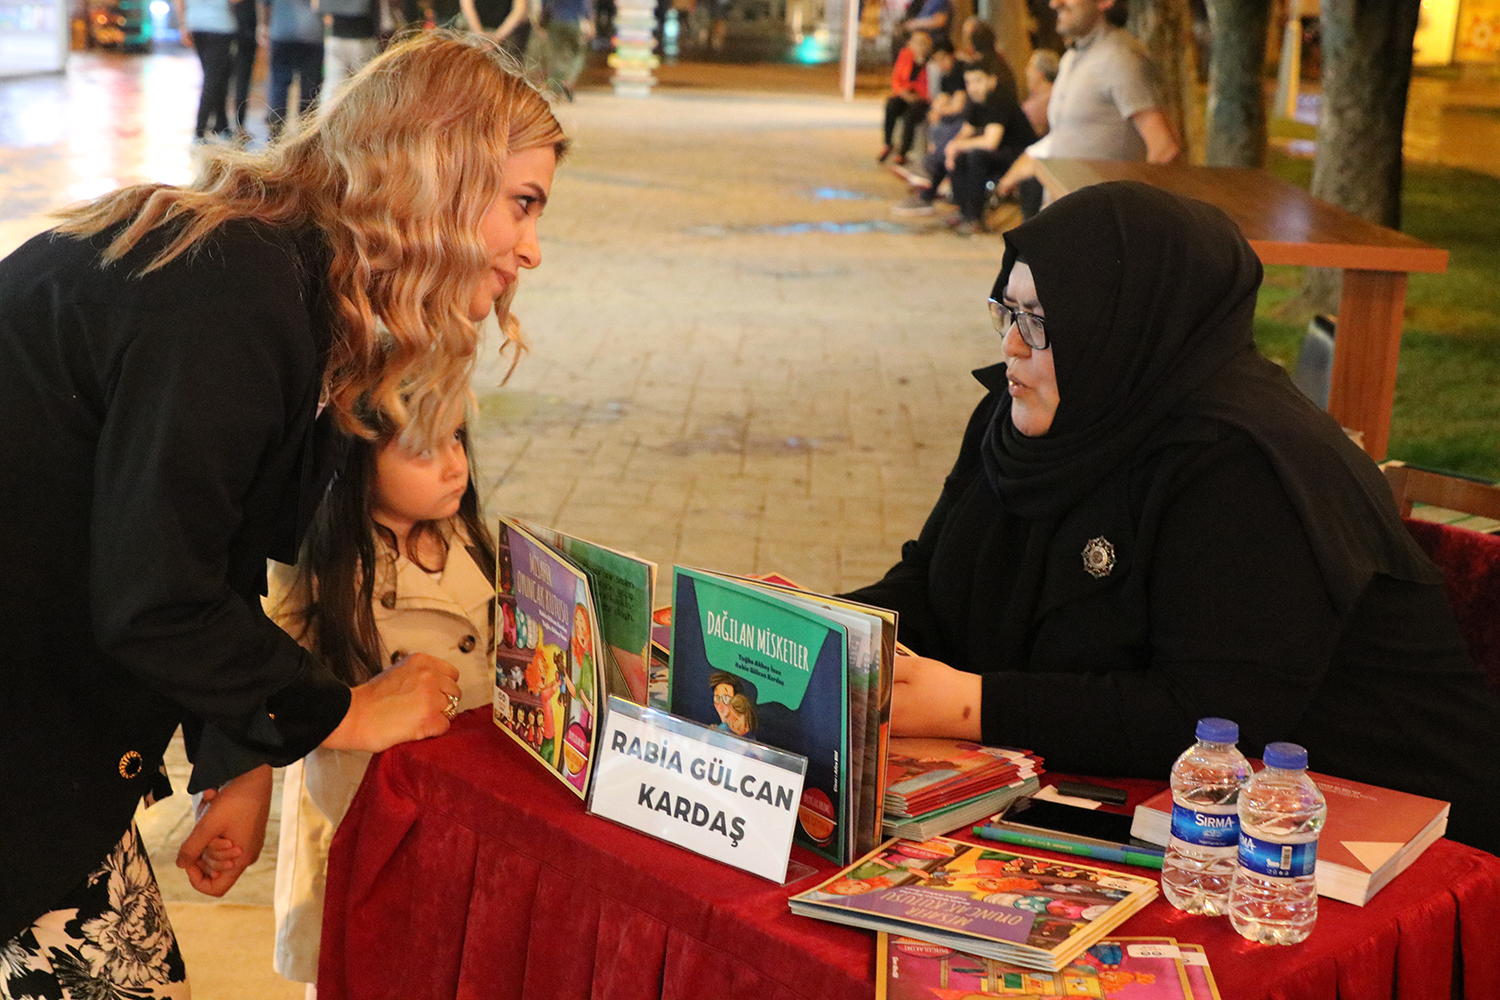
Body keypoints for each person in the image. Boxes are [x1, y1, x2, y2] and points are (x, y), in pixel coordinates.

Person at [0, 31, 567, 996]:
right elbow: (156, 597)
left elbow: (207, 544)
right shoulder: (233, 289)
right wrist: (336, 714)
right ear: (434, 174)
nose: (532, 250)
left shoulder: (286, 282)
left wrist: (237, 758)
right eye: (520, 203)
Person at [845, 181, 1500, 855]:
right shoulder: (1024, 418)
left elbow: (1207, 719)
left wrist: (966, 704)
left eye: (1041, 320)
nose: (1012, 345)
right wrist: (817, 632)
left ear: (1124, 326)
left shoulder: (1243, 467)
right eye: (1006, 310)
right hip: (1150, 804)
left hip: (1371, 831)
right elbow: (930, 585)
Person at [265, 421, 499, 990]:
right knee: (362, 966)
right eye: (424, 451)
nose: (453, 466)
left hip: (464, 808)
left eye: (457, 440)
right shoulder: (317, 561)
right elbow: (265, 687)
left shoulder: (467, 537)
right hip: (357, 810)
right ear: (354, 458)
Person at [995, 0, 1180, 219]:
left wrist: (1127, 217)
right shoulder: (1071, 58)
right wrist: (1031, 162)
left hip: (1101, 229)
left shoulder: (1122, 58)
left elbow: (1165, 148)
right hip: (1062, 224)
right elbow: (1070, 134)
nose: (1055, 4)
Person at [894, 56, 1036, 236]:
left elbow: (990, 142)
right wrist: (953, 147)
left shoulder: (1000, 99)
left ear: (991, 81)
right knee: (959, 153)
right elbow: (966, 131)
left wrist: (958, 146)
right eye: (968, 82)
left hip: (1020, 156)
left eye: (978, 81)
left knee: (976, 155)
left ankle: (974, 219)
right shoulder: (977, 101)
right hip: (999, 152)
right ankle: (963, 212)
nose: (973, 87)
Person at [263, 0, 326, 140]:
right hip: (312, 33)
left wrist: (264, 25)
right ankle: (306, 134)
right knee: (309, 89)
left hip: (281, 32)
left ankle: (275, 132)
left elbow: (265, 4)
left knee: (278, 85)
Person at [176, 0, 237, 141]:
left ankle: (222, 126)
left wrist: (183, 23)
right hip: (219, 25)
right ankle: (200, 130)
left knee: (217, 77)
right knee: (213, 79)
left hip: (196, 24)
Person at [878, 29, 931, 167]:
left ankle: (903, 152)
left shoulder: (930, 62)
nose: (916, 45)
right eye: (914, 42)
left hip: (921, 98)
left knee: (911, 115)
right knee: (891, 105)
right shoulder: (905, 55)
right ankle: (888, 143)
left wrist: (917, 95)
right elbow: (896, 78)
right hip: (905, 93)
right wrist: (903, 92)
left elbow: (930, 86)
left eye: (921, 43)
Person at [531, 0, 594, 99]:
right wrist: (590, 23)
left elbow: (545, 5)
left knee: (556, 55)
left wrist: (541, 25)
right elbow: (584, 6)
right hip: (573, 22)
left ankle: (556, 87)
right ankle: (569, 80)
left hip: (554, 22)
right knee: (578, 53)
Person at [459, 0, 530, 61]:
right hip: (474, 25)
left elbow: (519, 10)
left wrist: (497, 37)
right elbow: (466, 4)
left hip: (507, 31)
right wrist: (479, 34)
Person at [1021, 48, 1060, 137]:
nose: (1026, 71)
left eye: (1030, 66)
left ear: (1040, 73)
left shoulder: (1050, 97)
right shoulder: (1036, 96)